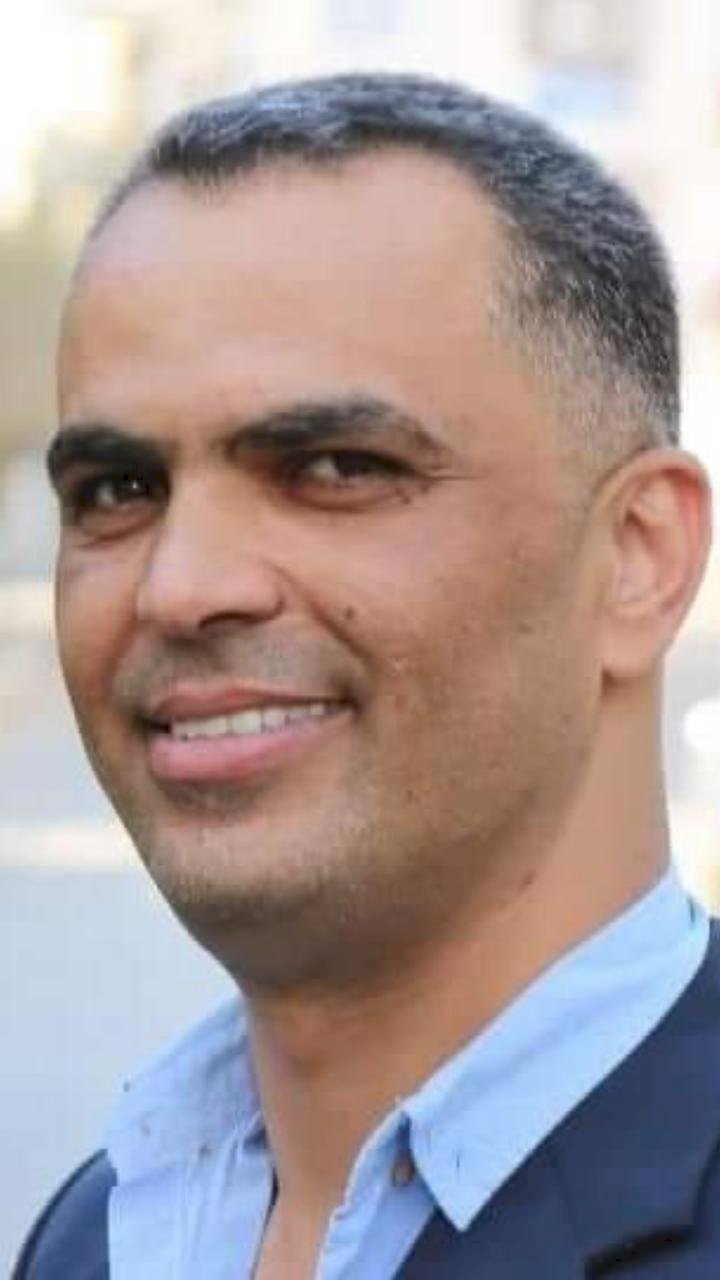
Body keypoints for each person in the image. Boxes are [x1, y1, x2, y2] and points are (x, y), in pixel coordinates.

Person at [14, 72, 717, 1279]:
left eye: (336, 467)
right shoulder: (96, 1234)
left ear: (638, 557)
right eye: (119, 489)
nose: (180, 585)